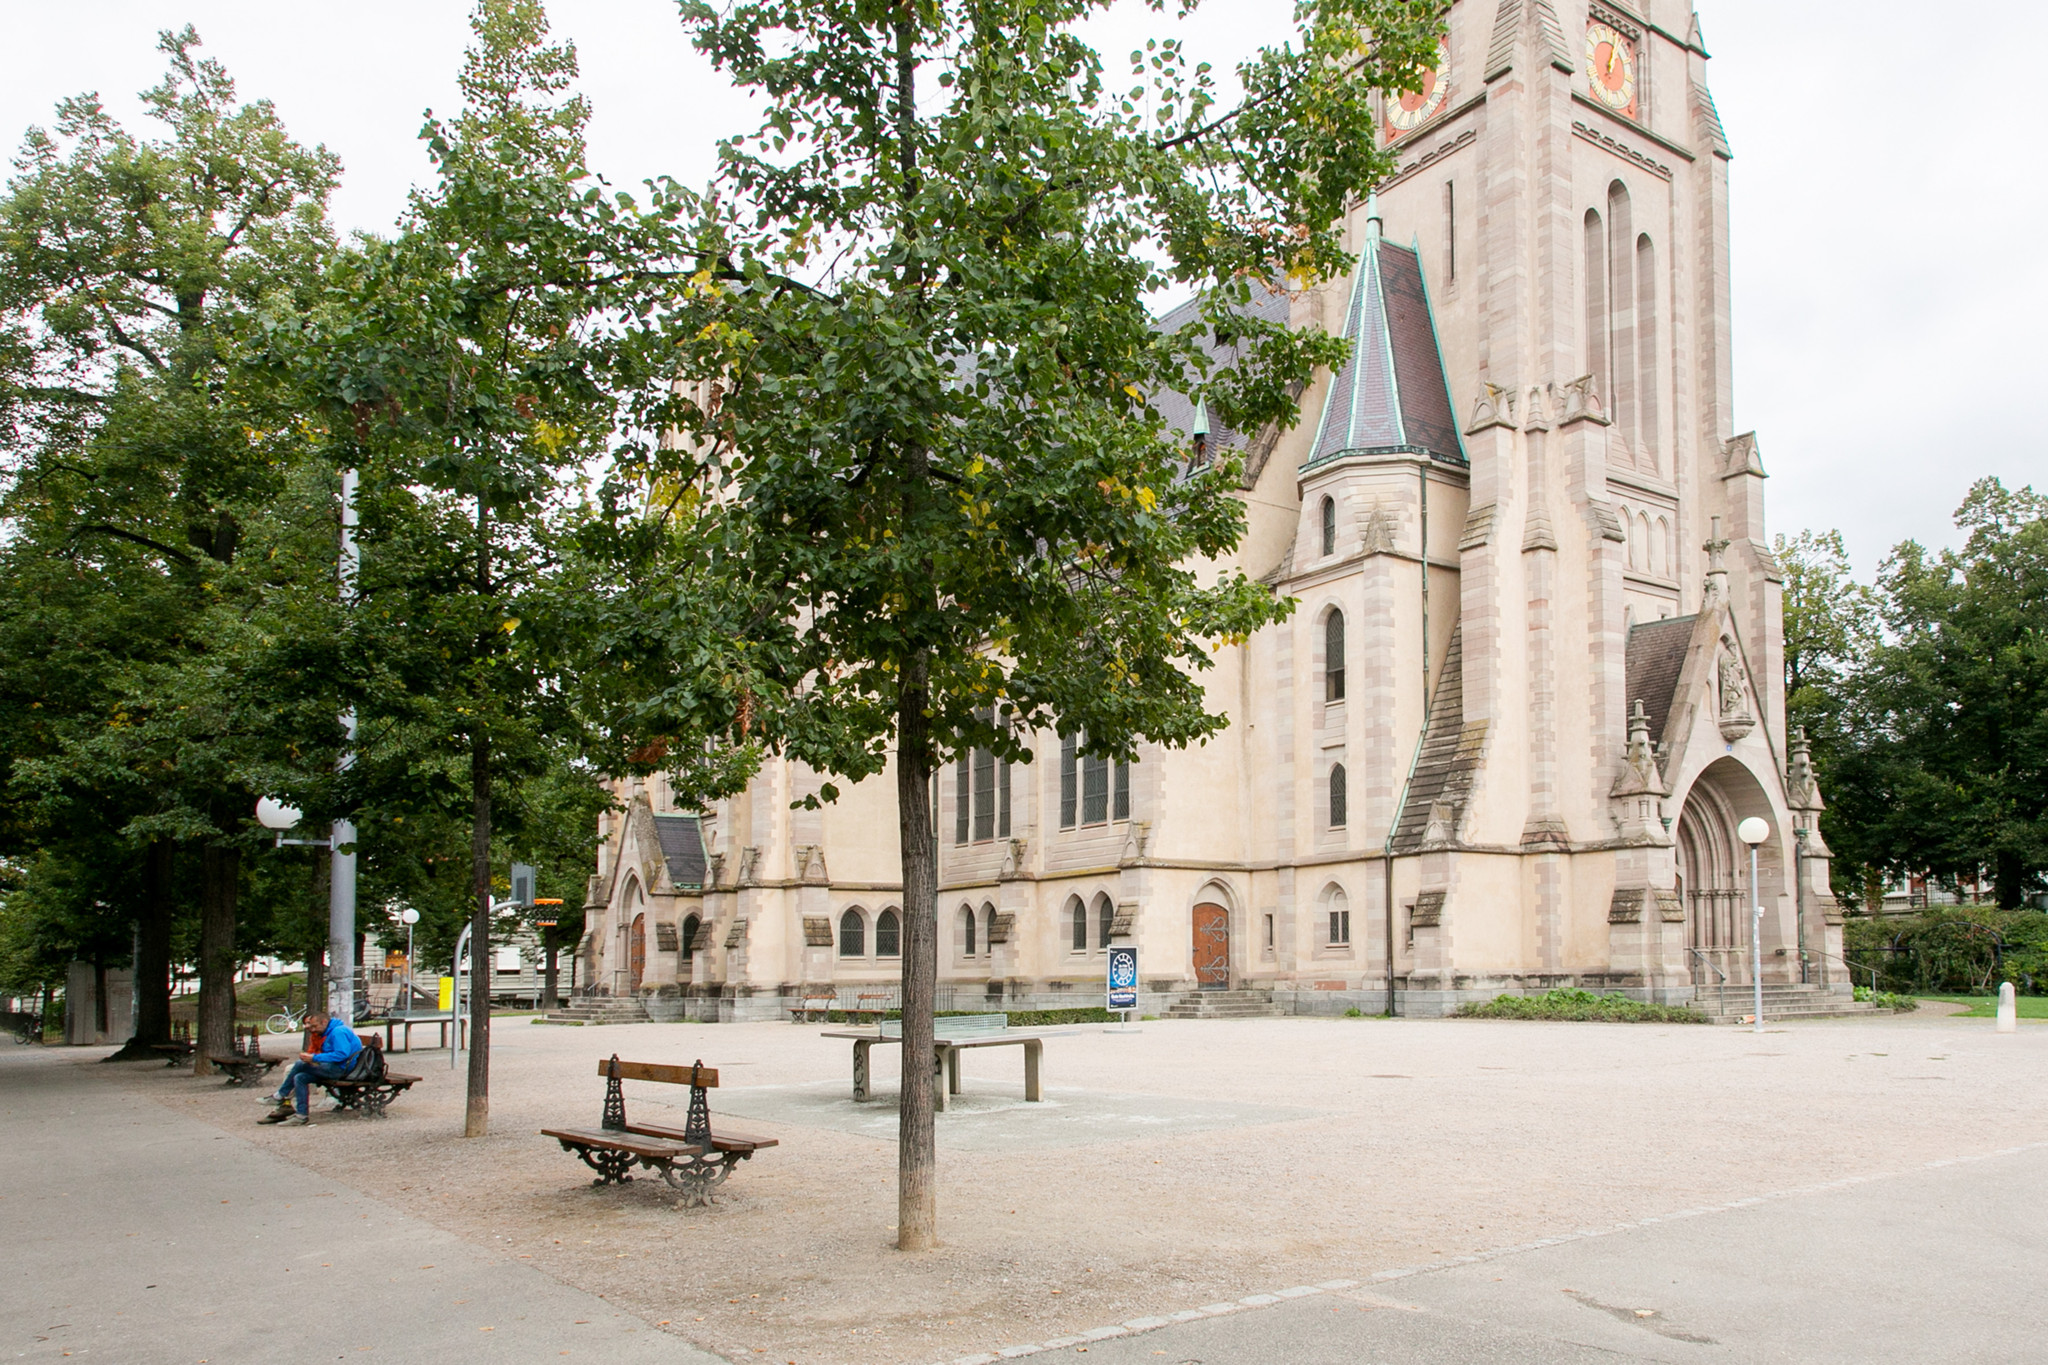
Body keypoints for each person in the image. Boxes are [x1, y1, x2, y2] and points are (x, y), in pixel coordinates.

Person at [259, 1009, 362, 1126]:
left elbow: (341, 1054)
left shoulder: (338, 1032)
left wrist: (314, 1058)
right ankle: (301, 1115)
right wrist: (311, 1058)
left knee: (299, 1064)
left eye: (314, 1026)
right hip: (337, 1067)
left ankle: (280, 1096)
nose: (311, 1029)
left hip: (343, 1070)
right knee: (300, 1077)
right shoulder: (328, 1032)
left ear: (324, 1022)